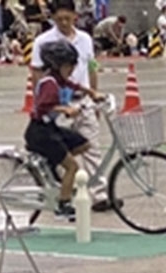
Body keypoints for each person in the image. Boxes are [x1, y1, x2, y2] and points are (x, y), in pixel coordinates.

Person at [31, 0, 118, 211]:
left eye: (67, 18)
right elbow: (36, 73)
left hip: (83, 102)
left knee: (91, 147)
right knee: (61, 150)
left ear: (75, 17)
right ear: (52, 18)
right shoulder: (44, 41)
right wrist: (45, 100)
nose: (63, 22)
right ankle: (63, 189)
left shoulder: (86, 39)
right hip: (59, 104)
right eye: (59, 19)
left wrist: (93, 94)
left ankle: (98, 195)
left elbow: (91, 67)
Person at [25, 39, 104, 220]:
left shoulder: (59, 79)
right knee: (72, 167)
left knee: (84, 144)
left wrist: (92, 93)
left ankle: (54, 166)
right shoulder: (49, 83)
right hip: (40, 132)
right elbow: (43, 107)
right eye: (69, 66)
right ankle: (63, 205)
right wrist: (65, 109)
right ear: (57, 65)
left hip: (50, 128)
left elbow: (74, 86)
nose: (72, 70)